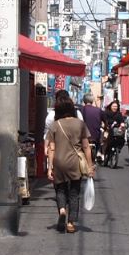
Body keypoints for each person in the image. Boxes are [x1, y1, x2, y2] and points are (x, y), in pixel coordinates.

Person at [46, 97, 94, 233]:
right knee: (74, 192)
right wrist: (90, 166)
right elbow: (86, 147)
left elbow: (51, 148)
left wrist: (50, 167)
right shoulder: (80, 124)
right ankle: (71, 223)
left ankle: (62, 210)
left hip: (59, 161)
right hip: (75, 162)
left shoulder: (55, 125)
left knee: (60, 189)